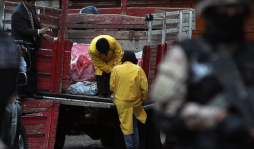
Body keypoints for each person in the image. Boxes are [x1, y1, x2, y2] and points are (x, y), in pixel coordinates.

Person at [151, 0, 254, 149]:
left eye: (238, 9)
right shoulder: (187, 54)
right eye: (225, 9)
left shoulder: (250, 56)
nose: (232, 14)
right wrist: (217, 118)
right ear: (209, 12)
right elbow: (166, 114)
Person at [11, 0, 51, 99]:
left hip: (31, 44)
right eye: (32, 2)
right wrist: (39, 31)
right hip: (21, 45)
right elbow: (24, 30)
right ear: (25, 1)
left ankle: (31, 91)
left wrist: (41, 33)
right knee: (22, 69)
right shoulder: (17, 13)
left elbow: (35, 22)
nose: (34, 5)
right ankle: (21, 92)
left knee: (32, 68)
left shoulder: (31, 8)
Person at [110, 51, 148, 149]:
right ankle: (136, 145)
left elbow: (112, 87)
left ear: (123, 58)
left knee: (125, 126)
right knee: (134, 124)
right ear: (134, 59)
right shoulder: (138, 69)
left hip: (121, 102)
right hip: (136, 102)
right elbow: (144, 87)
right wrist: (143, 99)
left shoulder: (116, 69)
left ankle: (129, 146)